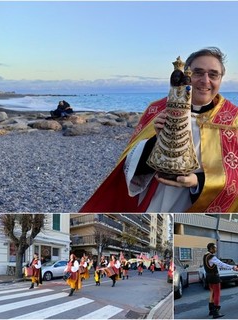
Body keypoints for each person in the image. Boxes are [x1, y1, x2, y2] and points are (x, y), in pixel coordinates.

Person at [80, 47, 238, 213]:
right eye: (198, 72)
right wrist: (158, 139)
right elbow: (129, 162)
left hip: (196, 207)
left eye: (213, 74)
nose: (205, 81)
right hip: (153, 202)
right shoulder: (157, 110)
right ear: (186, 75)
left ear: (220, 79)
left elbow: (234, 177)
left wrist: (198, 182)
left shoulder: (233, 120)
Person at [203, 243, 238, 318]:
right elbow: (221, 264)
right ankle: (216, 312)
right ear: (211, 248)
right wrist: (232, 267)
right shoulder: (211, 257)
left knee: (212, 293)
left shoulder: (205, 256)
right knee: (217, 293)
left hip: (208, 277)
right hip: (214, 277)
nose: (216, 249)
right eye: (215, 248)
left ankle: (211, 310)